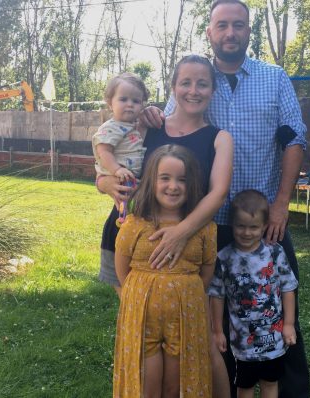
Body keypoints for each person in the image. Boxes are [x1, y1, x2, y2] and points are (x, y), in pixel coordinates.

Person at [140, 1, 310, 396]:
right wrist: (149, 114)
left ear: (249, 30)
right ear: (210, 32)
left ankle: (288, 391)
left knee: (278, 310)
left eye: (238, 25)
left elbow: (295, 138)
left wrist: (282, 205)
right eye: (222, 25)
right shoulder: (196, 78)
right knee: (212, 315)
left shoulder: (274, 77)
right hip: (205, 222)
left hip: (261, 220)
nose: (230, 32)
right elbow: (170, 127)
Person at [98, 55, 234, 397]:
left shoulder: (219, 138)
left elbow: (218, 193)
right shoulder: (149, 123)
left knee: (196, 344)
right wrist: (105, 184)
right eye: (185, 82)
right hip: (131, 241)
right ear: (173, 88)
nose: (193, 90)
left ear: (212, 90)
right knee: (141, 335)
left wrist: (181, 232)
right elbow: (107, 163)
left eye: (202, 83)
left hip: (188, 246)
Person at [113, 144, 215, 397]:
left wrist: (185, 290)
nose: (173, 186)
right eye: (165, 178)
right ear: (151, 181)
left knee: (176, 384)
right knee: (146, 381)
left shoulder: (204, 228)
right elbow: (122, 270)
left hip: (185, 317)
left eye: (182, 179)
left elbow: (207, 272)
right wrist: (142, 291)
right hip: (142, 316)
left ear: (191, 184)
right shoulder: (134, 224)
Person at [209, 190, 298, 398]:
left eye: (254, 227)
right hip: (243, 344)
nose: (246, 233)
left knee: (270, 384)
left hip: (274, 341)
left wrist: (288, 324)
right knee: (244, 387)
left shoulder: (275, 253)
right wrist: (217, 331)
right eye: (241, 226)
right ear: (232, 224)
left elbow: (288, 288)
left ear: (265, 226)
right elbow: (216, 295)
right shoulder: (224, 258)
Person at [92, 72, 148, 185]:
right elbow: (103, 152)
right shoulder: (110, 127)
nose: (130, 104)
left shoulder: (134, 126)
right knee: (127, 202)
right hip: (120, 178)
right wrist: (117, 170)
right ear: (110, 104)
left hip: (132, 177)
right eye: (123, 99)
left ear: (142, 105)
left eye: (136, 101)